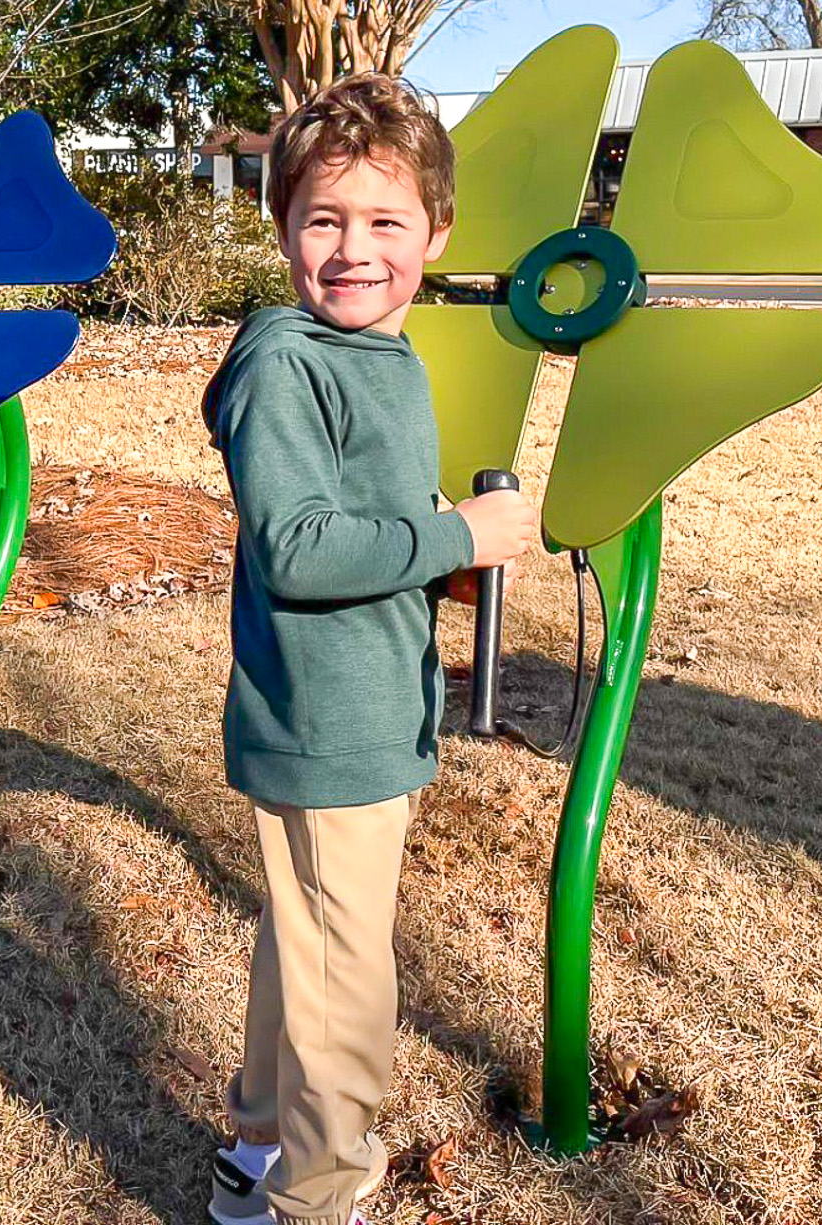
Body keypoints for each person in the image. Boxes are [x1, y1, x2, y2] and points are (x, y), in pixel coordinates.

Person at [199, 73, 540, 1225]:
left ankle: (255, 1150)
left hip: (373, 702)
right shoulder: (282, 360)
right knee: (347, 970)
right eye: (323, 220)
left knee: (307, 936)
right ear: (283, 228)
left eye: (385, 221)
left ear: (434, 232)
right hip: (321, 713)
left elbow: (358, 514)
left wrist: (434, 556)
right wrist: (456, 531)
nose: (353, 249)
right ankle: (322, 1187)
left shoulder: (379, 359)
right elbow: (295, 547)